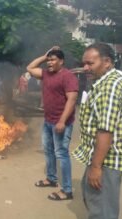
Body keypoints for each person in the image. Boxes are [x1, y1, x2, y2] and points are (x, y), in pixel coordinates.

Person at [72, 43, 122, 219]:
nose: (85, 68)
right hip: (104, 155)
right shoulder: (115, 79)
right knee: (94, 200)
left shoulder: (109, 87)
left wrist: (96, 167)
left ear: (107, 62)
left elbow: (105, 130)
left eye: (90, 63)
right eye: (84, 63)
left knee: (102, 212)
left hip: (107, 160)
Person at [27, 47, 78, 201]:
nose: (49, 62)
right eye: (48, 60)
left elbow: (72, 99)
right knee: (48, 151)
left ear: (61, 61)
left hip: (61, 123)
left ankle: (67, 190)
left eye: (53, 59)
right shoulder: (46, 74)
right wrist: (44, 55)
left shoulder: (68, 76)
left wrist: (62, 121)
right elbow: (29, 68)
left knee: (61, 154)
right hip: (48, 121)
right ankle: (51, 179)